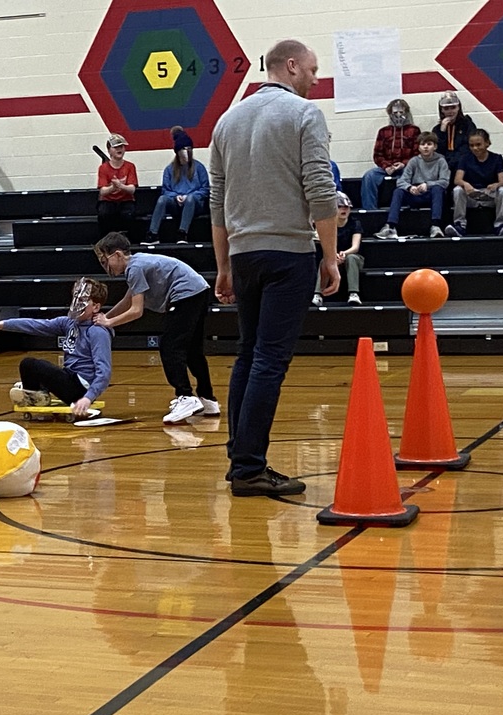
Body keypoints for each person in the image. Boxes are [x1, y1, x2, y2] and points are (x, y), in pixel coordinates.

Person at [209, 39, 339, 497]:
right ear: (290, 65)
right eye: (313, 68)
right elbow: (320, 189)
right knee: (268, 360)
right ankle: (248, 468)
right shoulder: (305, 115)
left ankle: (239, 457)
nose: (316, 78)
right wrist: (329, 255)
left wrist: (222, 264)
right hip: (287, 254)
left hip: (243, 256)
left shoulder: (227, 120)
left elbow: (218, 202)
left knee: (248, 355)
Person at [93, 232, 219, 424]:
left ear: (117, 254)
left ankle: (185, 396)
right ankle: (208, 399)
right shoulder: (138, 264)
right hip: (199, 290)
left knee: (170, 347)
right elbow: (128, 300)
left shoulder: (134, 268)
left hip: (186, 294)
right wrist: (105, 317)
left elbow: (136, 311)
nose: (105, 267)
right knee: (193, 351)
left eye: (105, 260)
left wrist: (109, 323)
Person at [0, 278, 112, 417]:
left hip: (81, 389)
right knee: (27, 365)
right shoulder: (68, 323)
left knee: (35, 365)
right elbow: (35, 325)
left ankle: (33, 393)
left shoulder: (97, 332)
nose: (76, 304)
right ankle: (37, 394)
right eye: (75, 298)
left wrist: (88, 398)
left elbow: (104, 372)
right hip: (69, 378)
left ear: (96, 307)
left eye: (82, 301)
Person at [375, 131, 450, 241]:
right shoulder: (414, 161)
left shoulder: (441, 161)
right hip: (415, 193)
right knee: (398, 191)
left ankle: (436, 226)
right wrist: (410, 187)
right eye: (423, 144)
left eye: (429, 144)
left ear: (435, 146)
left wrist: (427, 185)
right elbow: (401, 181)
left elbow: (444, 181)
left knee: (438, 189)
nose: (425, 147)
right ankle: (390, 226)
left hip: (431, 194)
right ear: (419, 147)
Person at [143, 127, 209, 245]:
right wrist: (175, 196)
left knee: (190, 199)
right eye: (184, 149)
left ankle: (182, 233)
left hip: (194, 204)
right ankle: (152, 234)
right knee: (162, 199)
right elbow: (165, 190)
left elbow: (205, 189)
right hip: (176, 203)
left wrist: (190, 196)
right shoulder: (169, 169)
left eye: (189, 149)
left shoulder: (199, 167)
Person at [445, 129, 503, 237]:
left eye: (478, 145)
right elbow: (457, 180)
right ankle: (459, 225)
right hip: (471, 195)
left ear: (487, 143)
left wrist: (496, 185)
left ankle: (500, 224)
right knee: (457, 190)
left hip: (489, 195)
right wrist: (465, 184)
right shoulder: (465, 159)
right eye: (471, 145)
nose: (475, 148)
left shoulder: (497, 158)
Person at [360, 99, 420, 209]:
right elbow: (377, 155)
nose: (398, 116)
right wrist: (386, 166)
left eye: (401, 113)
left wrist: (404, 164)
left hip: (406, 168)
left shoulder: (414, 130)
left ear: (406, 113)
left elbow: (417, 154)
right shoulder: (383, 131)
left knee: (414, 176)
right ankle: (370, 211)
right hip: (387, 167)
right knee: (369, 176)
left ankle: (408, 209)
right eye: (395, 113)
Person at [313, 192, 364, 306]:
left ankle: (354, 294)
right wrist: (333, 255)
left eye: (346, 207)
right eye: (340, 207)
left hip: (351, 257)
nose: (343, 210)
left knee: (351, 258)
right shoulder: (327, 224)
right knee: (325, 261)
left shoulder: (355, 223)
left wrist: (343, 254)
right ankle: (317, 295)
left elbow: (355, 247)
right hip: (332, 256)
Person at [97, 133, 138, 236]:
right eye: (116, 147)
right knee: (104, 214)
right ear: (109, 150)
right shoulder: (103, 168)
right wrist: (114, 187)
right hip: (108, 201)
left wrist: (121, 186)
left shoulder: (130, 166)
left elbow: (132, 189)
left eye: (122, 147)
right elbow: (103, 191)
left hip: (126, 200)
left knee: (128, 214)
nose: (120, 149)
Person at [432, 91, 477, 175]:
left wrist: (452, 160)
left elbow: (468, 147)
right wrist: (442, 132)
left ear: (458, 107)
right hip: (444, 166)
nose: (450, 111)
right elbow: (436, 151)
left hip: (463, 164)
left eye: (453, 107)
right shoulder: (437, 129)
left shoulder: (468, 125)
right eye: (446, 108)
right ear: (441, 110)